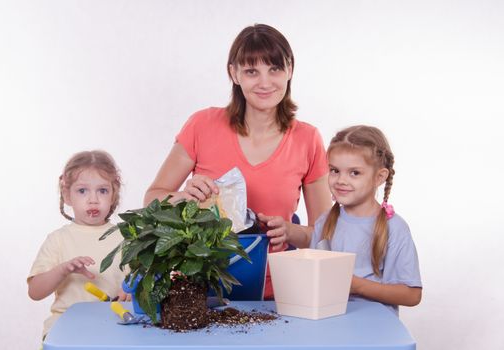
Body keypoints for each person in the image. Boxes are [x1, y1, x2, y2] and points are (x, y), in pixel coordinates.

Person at [144, 24, 332, 299]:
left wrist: (290, 232)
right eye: (252, 71)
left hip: (279, 292)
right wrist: (184, 197)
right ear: (233, 73)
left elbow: (324, 235)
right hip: (202, 288)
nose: (265, 83)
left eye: (275, 69)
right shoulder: (201, 125)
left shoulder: (307, 138)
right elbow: (151, 200)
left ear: (290, 70)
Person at [310, 125, 422, 312]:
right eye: (335, 170)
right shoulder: (324, 223)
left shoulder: (394, 227)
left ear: (379, 177)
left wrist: (357, 286)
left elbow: (412, 295)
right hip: (330, 326)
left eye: (354, 173)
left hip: (376, 333)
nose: (341, 180)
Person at [27, 150, 129, 338]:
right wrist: (62, 270)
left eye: (103, 191)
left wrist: (130, 293)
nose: (93, 199)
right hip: (64, 332)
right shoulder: (58, 239)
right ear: (67, 195)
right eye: (82, 191)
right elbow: (35, 292)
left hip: (112, 331)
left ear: (113, 195)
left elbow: (139, 284)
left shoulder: (124, 238)